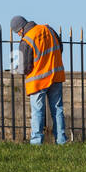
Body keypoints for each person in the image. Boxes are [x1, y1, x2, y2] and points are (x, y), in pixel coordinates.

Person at [11, 16, 68, 145]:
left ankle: (36, 142)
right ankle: (61, 140)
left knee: (38, 112)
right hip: (55, 75)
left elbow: (24, 67)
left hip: (38, 81)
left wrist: (16, 69)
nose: (19, 35)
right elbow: (60, 48)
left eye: (17, 33)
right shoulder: (48, 29)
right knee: (57, 109)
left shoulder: (27, 40)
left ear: (20, 30)